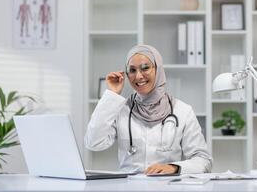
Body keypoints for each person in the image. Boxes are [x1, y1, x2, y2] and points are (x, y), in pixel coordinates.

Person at [84, 45, 212, 175]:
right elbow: (93, 143)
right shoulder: (121, 109)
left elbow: (204, 161)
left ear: (158, 69)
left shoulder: (183, 111)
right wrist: (112, 94)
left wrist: (174, 167)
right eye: (132, 70)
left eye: (145, 68)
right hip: (129, 186)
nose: (138, 76)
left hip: (167, 186)